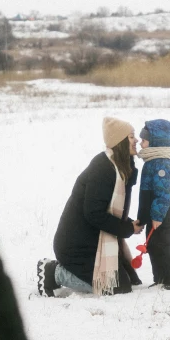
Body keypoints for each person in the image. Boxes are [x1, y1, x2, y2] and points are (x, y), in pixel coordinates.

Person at [37, 117, 143, 297]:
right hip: (76, 246)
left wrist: (130, 224)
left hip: (93, 241)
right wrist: (126, 228)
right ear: (120, 141)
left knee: (127, 282)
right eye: (132, 137)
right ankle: (53, 272)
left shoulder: (121, 168)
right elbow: (94, 213)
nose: (137, 140)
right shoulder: (103, 169)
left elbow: (110, 210)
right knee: (115, 288)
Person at [137, 119, 170, 290]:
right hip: (155, 215)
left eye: (144, 141)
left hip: (163, 216)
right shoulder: (152, 161)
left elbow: (163, 193)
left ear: (154, 143)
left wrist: (157, 216)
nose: (141, 144)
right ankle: (161, 278)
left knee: (163, 245)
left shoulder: (161, 164)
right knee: (152, 245)